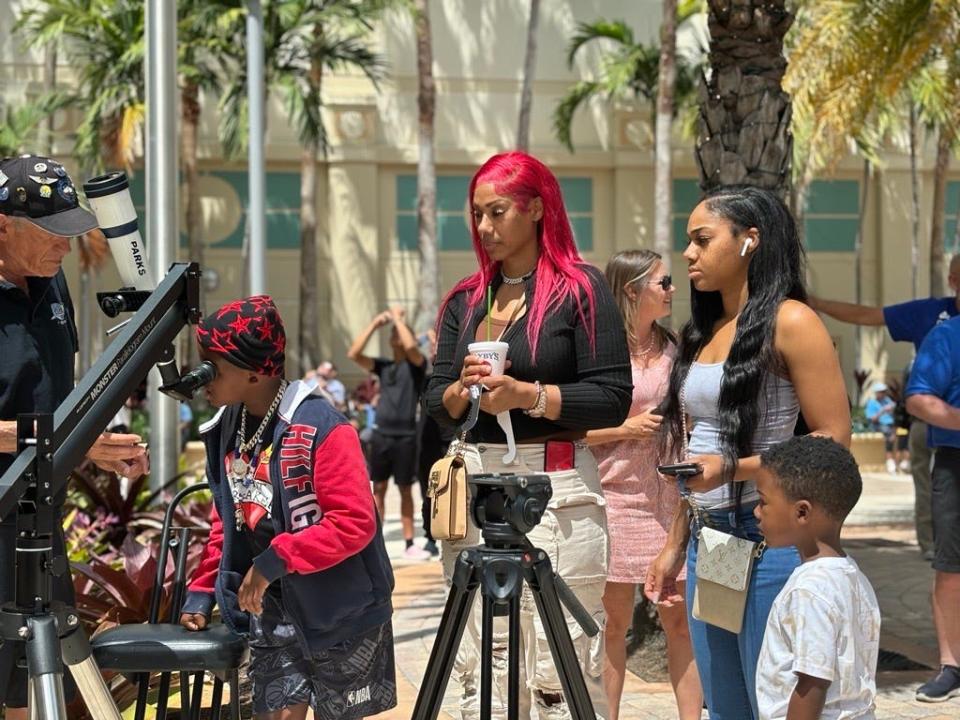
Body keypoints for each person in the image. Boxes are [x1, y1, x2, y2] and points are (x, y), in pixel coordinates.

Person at [424, 150, 633, 719]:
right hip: (475, 488)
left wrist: (528, 396)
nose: (485, 228)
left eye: (497, 212)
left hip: (557, 488)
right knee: (481, 666)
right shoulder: (467, 301)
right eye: (477, 216)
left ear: (537, 209)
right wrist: (462, 390)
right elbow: (435, 400)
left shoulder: (581, 290)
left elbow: (613, 395)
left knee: (557, 669)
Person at [645, 185, 852, 720]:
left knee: (775, 703)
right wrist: (675, 544)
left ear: (749, 241)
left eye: (702, 239)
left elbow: (832, 438)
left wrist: (733, 469)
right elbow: (699, 448)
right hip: (711, 541)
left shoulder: (792, 322)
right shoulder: (703, 332)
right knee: (727, 705)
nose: (688, 254)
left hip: (770, 537)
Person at [180, 296, 396, 720]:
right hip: (273, 607)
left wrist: (277, 558)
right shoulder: (228, 425)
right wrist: (204, 590)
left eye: (212, 365)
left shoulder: (323, 427)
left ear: (255, 372)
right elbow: (229, 520)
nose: (201, 375)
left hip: (340, 610)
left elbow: (354, 523)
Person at [0, 154, 148, 718]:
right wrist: (67, 439)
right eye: (51, 234)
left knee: (27, 691)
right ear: (3, 225)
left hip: (37, 520)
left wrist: (93, 447)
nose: (66, 248)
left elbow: (54, 399)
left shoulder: (50, 281)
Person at [585, 250, 701, 720]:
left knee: (680, 623)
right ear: (632, 290)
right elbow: (568, 431)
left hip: (670, 500)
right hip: (613, 499)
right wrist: (624, 430)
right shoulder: (597, 350)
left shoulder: (676, 345)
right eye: (663, 281)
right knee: (613, 625)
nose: (673, 289)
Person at [807, 256, 960, 558]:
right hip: (927, 418)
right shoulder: (928, 312)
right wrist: (816, 304)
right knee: (928, 484)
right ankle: (933, 546)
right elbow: (867, 315)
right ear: (953, 281)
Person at [754, 436, 880, 720]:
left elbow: (812, 683)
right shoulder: (852, 576)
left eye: (763, 503)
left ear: (802, 512)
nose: (756, 513)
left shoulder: (809, 591)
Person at [904, 315, 960, 702]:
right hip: (955, 464)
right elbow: (918, 398)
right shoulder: (946, 335)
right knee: (951, 569)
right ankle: (951, 666)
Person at [347, 305, 431, 560]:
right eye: (393, 332)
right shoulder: (383, 366)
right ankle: (376, 541)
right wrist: (374, 323)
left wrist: (398, 319)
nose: (396, 334)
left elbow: (412, 347)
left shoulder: (417, 365)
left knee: (405, 489)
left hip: (406, 435)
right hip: (382, 434)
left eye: (400, 332)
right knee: (378, 489)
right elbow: (353, 353)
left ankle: (409, 544)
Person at [864, 382, 903, 474]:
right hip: (879, 425)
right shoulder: (872, 403)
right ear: (876, 393)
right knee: (888, 434)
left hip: (891, 424)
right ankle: (890, 461)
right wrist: (882, 411)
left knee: (902, 433)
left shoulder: (887, 400)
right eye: (881, 391)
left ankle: (899, 462)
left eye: (884, 391)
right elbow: (872, 419)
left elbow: (895, 407)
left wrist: (893, 408)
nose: (883, 393)